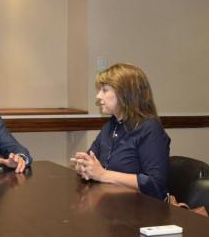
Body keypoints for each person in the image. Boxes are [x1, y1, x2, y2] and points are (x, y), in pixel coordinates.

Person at [70, 63, 170, 200]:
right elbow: (93, 161)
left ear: (125, 94)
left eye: (105, 90)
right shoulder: (110, 126)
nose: (98, 96)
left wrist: (103, 175)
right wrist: (84, 166)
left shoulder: (150, 129)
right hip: (111, 205)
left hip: (141, 209)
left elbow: (155, 184)